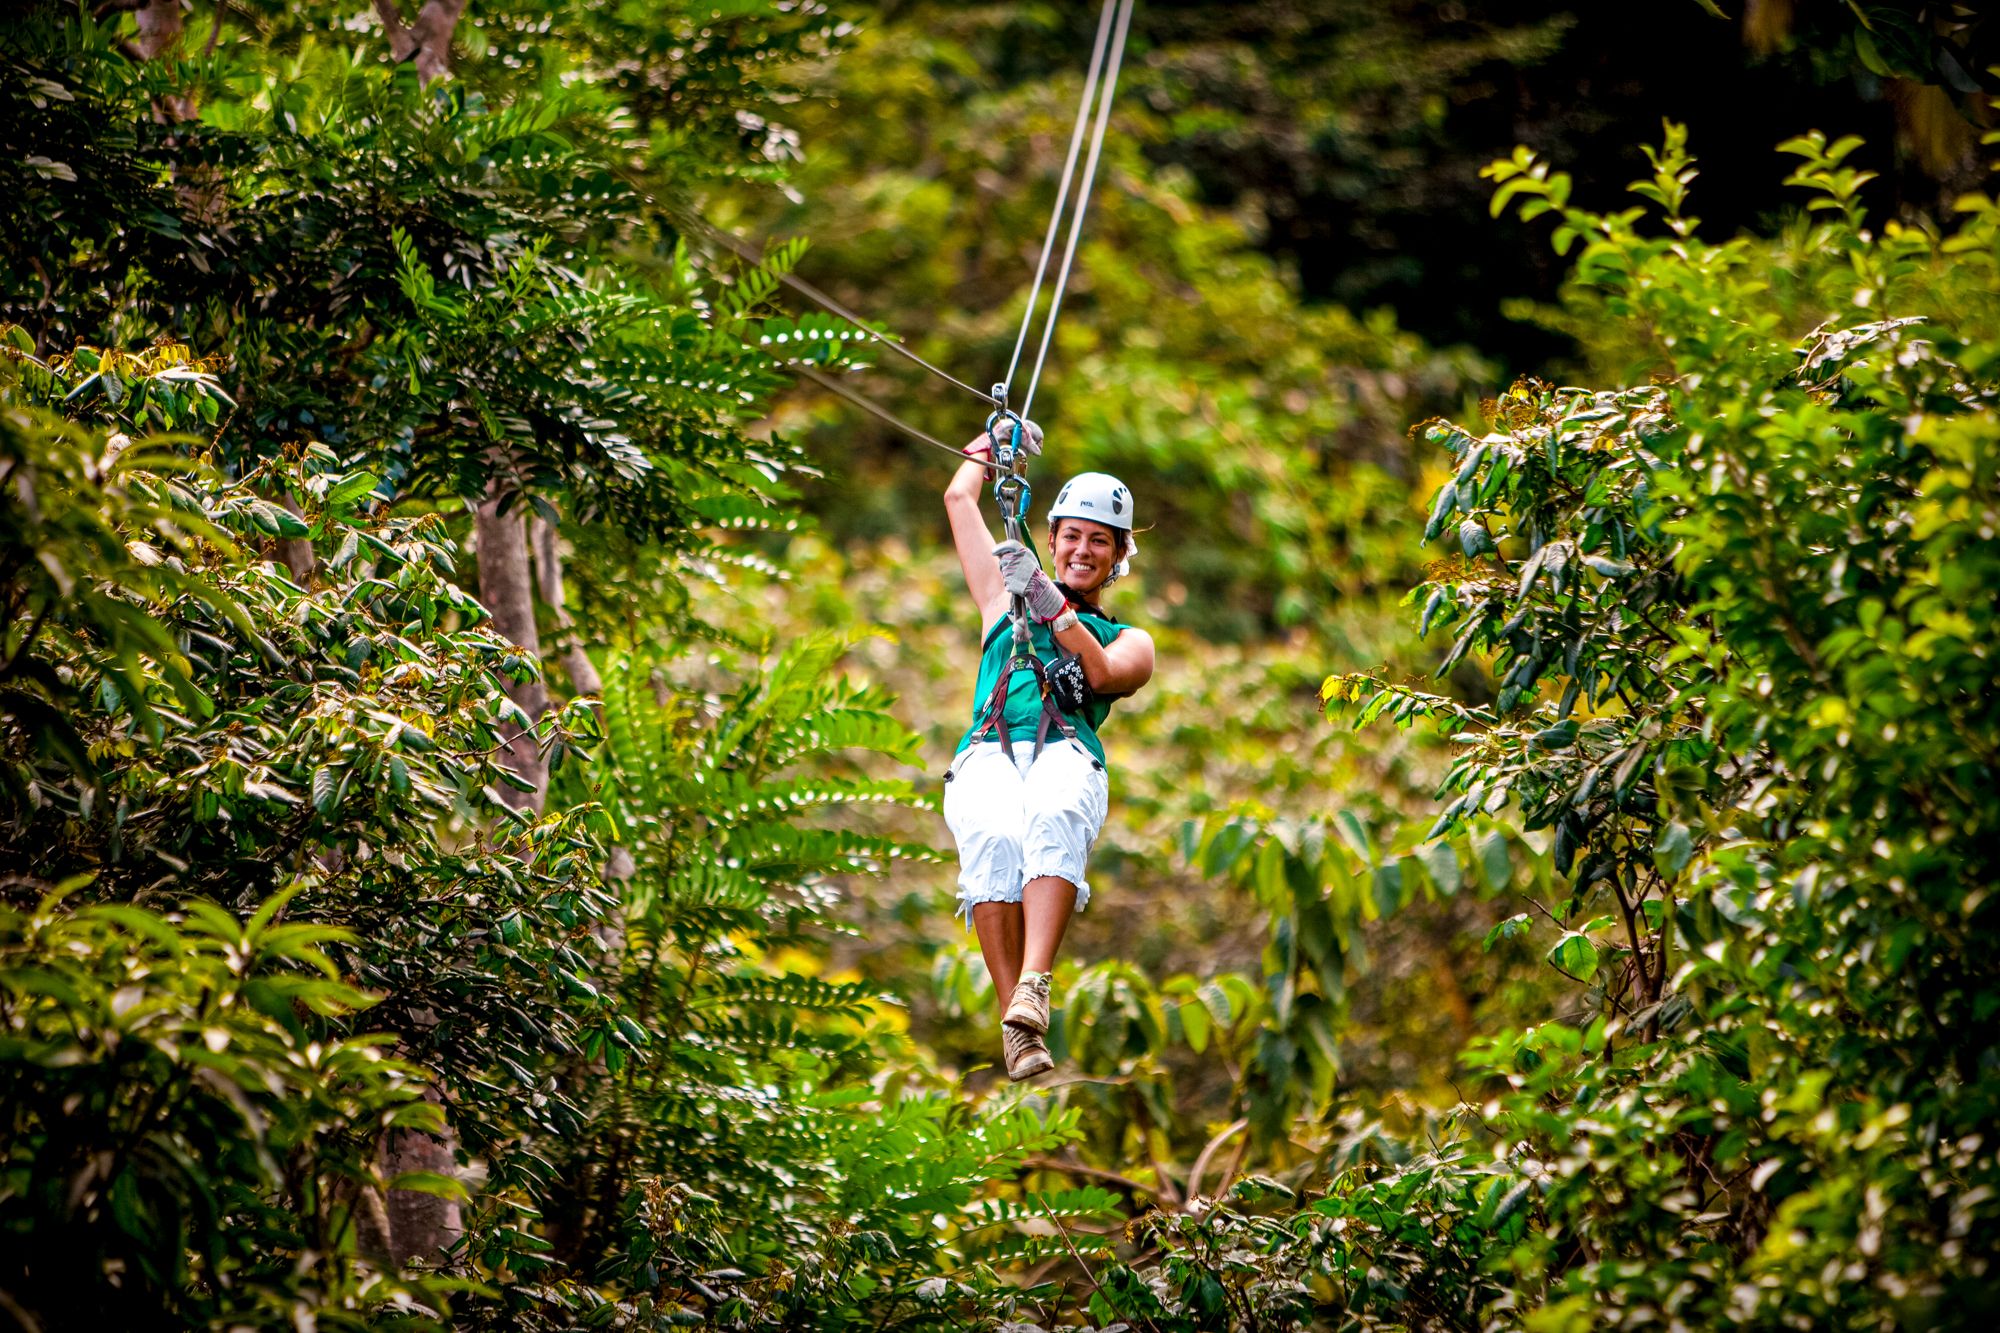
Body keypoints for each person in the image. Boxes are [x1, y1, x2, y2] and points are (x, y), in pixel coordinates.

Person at [941, 423, 1155, 1080]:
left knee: (1054, 813)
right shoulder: (999, 601)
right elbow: (959, 498)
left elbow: (1103, 674)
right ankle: (1017, 1020)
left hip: (1065, 748)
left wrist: (1053, 607)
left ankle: (1035, 981)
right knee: (993, 836)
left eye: (1100, 540)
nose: (1083, 549)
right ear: (1054, 538)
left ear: (1118, 556)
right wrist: (992, 442)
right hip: (989, 747)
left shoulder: (1129, 637)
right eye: (1072, 535)